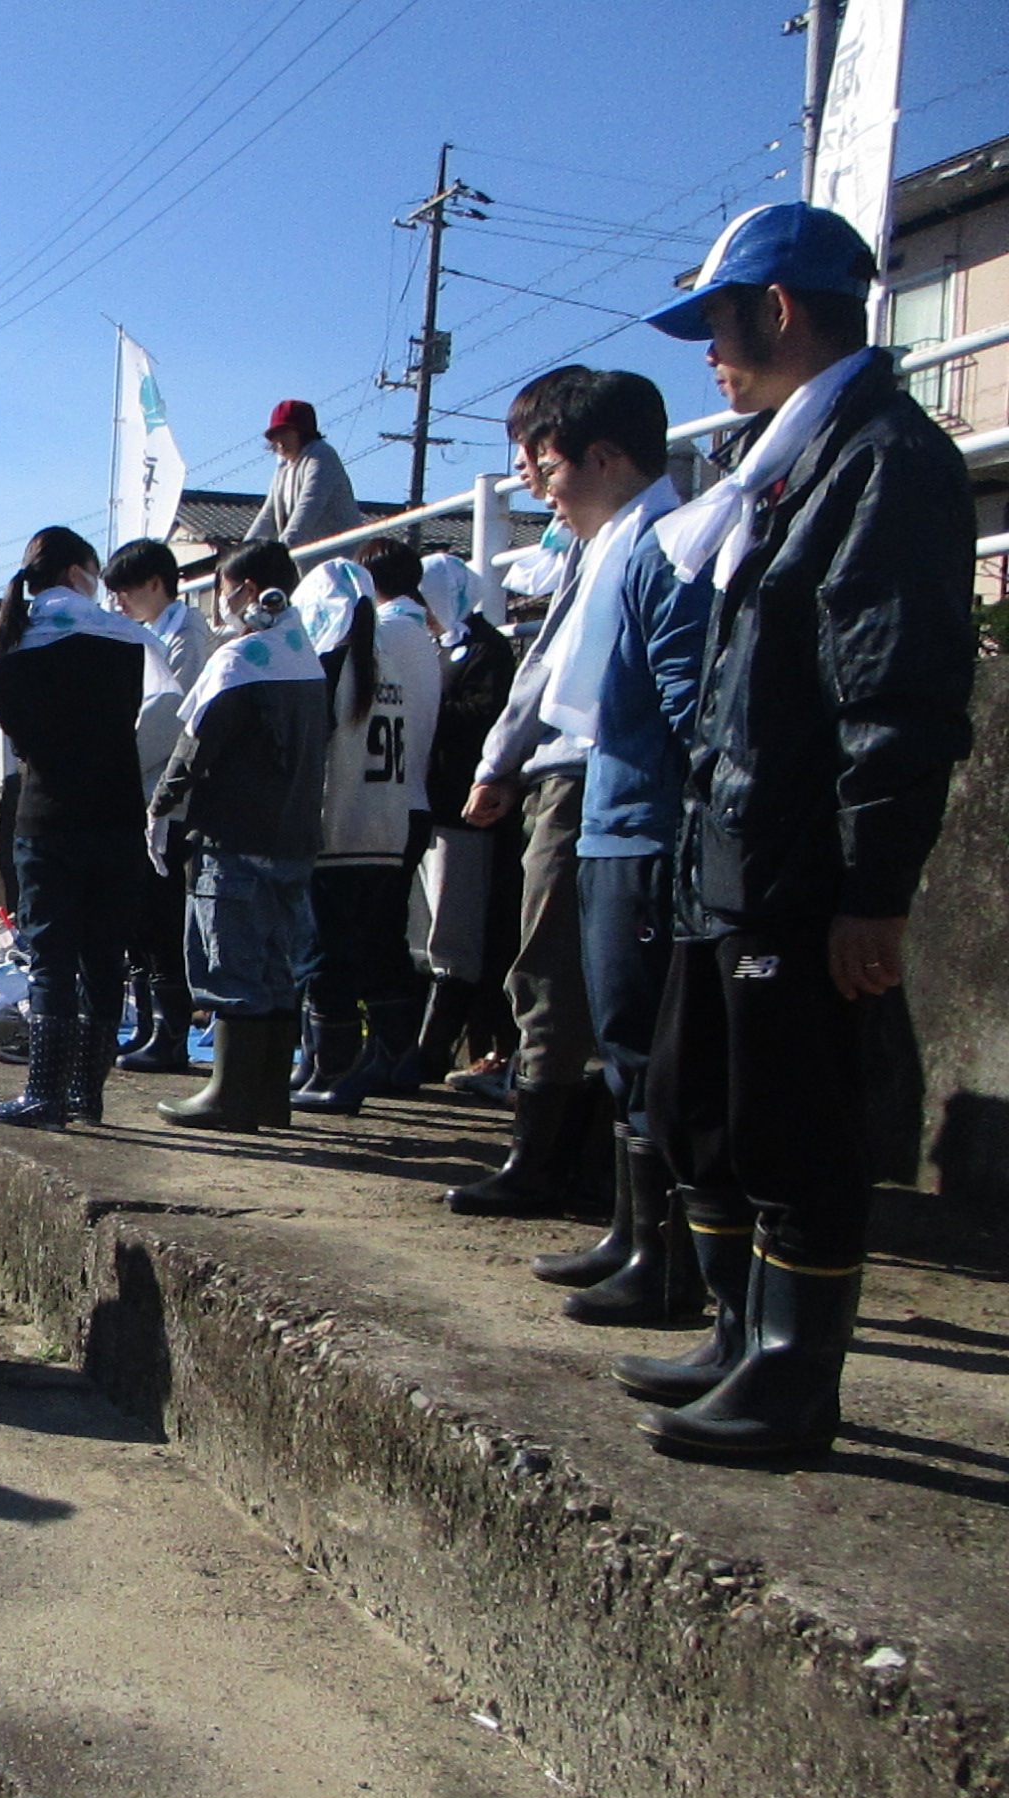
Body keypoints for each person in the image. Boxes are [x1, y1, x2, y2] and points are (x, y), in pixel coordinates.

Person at [621, 204, 975, 1459]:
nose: (710, 357)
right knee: (701, 1104)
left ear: (776, 310)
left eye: (718, 326)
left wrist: (873, 887)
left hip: (798, 867)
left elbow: (895, 691)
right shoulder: (782, 465)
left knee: (795, 1125)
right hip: (728, 853)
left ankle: (793, 1376)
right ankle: (736, 1330)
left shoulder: (884, 460)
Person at [498, 369, 707, 1325]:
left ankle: (663, 1258)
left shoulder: (660, 550)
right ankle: (633, 1234)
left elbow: (685, 709)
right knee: (623, 1039)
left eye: (550, 466)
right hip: (612, 811)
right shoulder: (613, 548)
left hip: (643, 820)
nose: (541, 485)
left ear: (608, 459)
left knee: (647, 1042)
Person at [445, 366, 606, 1215]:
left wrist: (497, 762)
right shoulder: (590, 544)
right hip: (569, 772)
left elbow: (547, 668)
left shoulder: (626, 541)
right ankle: (562, 1164)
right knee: (558, 969)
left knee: (556, 969)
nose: (528, 475)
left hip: (588, 773)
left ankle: (547, 1163)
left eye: (537, 456)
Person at [0, 526, 164, 1129]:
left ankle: (44, 1092)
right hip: (118, 816)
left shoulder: (8, 647)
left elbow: (21, 738)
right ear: (77, 572)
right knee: (106, 955)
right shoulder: (126, 638)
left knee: (51, 958)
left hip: (48, 818)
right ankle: (88, 1092)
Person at [149, 540, 330, 1130]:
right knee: (277, 969)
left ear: (248, 590)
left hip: (234, 838)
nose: (220, 604)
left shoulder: (240, 659)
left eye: (223, 591)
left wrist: (161, 807)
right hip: (295, 838)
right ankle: (269, 1096)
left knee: (230, 967)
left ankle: (227, 1094)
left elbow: (194, 747)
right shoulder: (305, 655)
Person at [292, 542, 441, 1114]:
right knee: (383, 945)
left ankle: (332, 1068)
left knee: (324, 954)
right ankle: (393, 1056)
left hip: (338, 830)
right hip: (389, 826)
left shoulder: (331, 665)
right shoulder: (392, 659)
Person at [408, 553, 520, 1082]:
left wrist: (426, 706)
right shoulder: (436, 646)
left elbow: (485, 716)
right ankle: (422, 1042)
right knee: (426, 929)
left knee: (454, 932)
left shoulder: (485, 649)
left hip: (462, 810)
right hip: (430, 806)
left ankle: (435, 1049)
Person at [106, 537, 216, 1073]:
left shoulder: (187, 636)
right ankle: (151, 1026)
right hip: (143, 794)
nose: (119, 601)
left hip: (168, 800)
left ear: (156, 583)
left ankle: (171, 1034)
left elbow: (174, 720)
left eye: (125, 590)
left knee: (159, 917)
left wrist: (113, 757)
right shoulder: (155, 634)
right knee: (140, 919)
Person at [245, 400, 366, 552]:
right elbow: (268, 514)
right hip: (307, 559)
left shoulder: (321, 454)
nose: (280, 440)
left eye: (285, 432)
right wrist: (243, 551)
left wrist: (283, 549)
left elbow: (309, 504)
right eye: (275, 434)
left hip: (340, 558)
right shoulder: (283, 466)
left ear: (303, 432)